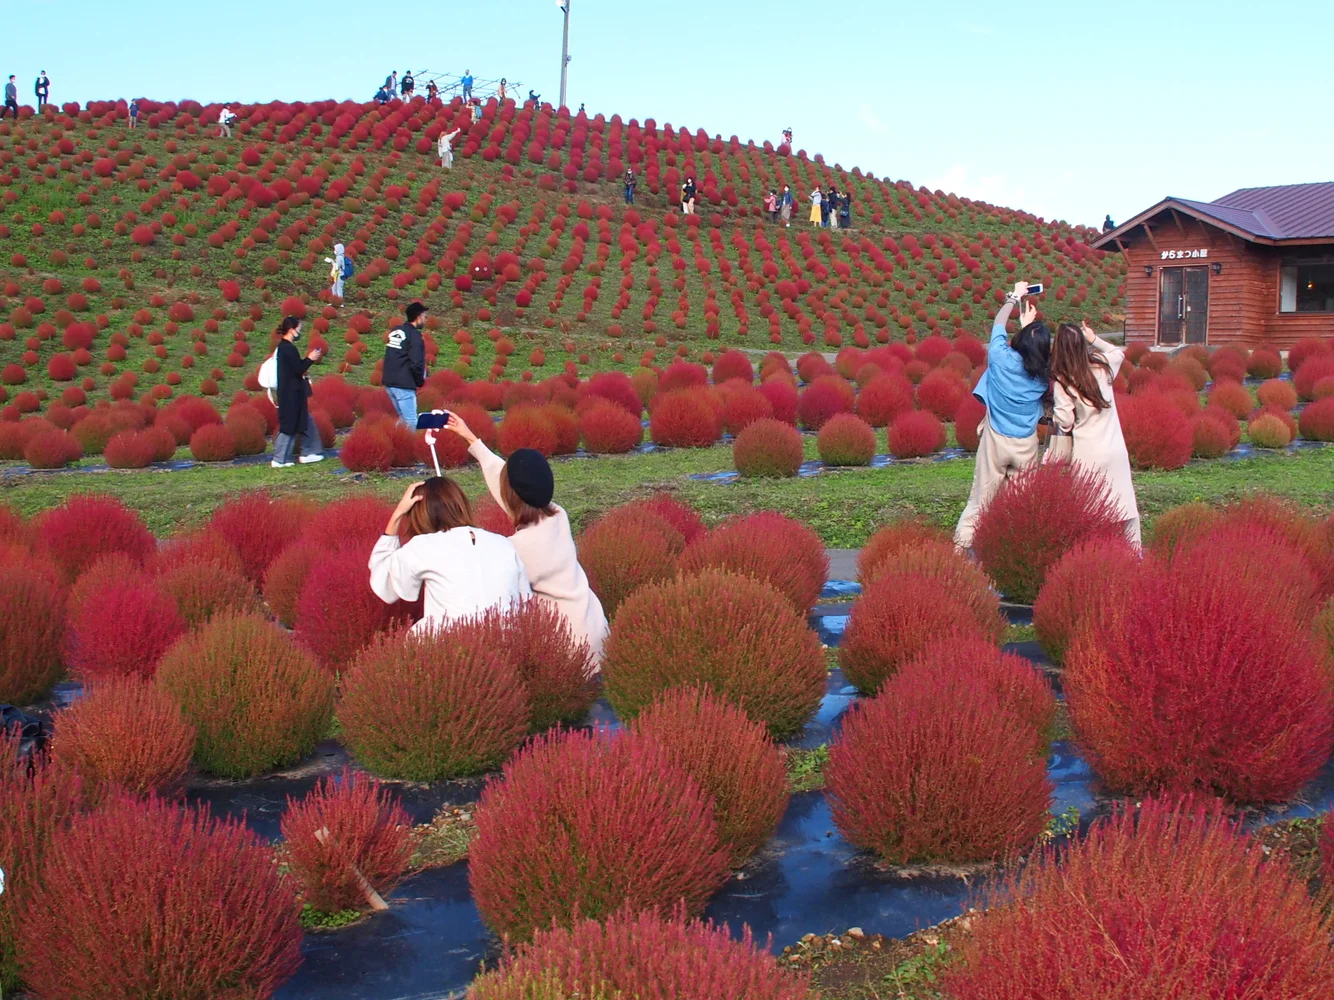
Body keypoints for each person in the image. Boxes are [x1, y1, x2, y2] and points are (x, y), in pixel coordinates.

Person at [442, 413, 609, 664]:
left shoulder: (517, 550)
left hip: (569, 652)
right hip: (596, 631)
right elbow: (513, 485)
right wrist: (469, 437)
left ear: (510, 497)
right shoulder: (557, 515)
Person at [954, 281, 1052, 551]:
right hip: (1026, 446)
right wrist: (1028, 329)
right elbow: (1030, 356)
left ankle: (959, 554)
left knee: (979, 503)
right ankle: (1013, 556)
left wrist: (1014, 297)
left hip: (995, 442)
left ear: (1018, 342)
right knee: (1020, 509)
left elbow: (998, 325)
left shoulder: (999, 356)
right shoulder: (1044, 377)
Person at [369, 478, 532, 632]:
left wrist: (398, 514)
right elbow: (526, 602)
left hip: (452, 646)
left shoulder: (423, 546)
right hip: (508, 644)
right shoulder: (503, 543)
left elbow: (385, 584)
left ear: (420, 513)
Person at [1050, 321, 1139, 547]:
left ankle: (1096, 555)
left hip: (1088, 453)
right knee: (1124, 506)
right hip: (1115, 450)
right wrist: (1094, 339)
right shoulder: (1102, 366)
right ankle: (1133, 557)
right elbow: (1118, 353)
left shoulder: (1063, 379)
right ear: (1082, 344)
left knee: (1091, 510)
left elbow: (1065, 421)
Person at [272, 317, 325, 467]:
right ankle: (279, 459)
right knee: (289, 426)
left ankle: (309, 453)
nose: (300, 332)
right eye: (299, 329)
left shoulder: (285, 347)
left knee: (305, 422)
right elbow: (298, 368)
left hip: (294, 392)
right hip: (290, 394)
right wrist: (310, 359)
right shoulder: (287, 348)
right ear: (291, 329)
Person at [383, 302, 427, 427]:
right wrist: (420, 381)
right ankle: (406, 446)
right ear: (418, 316)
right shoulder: (415, 336)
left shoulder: (396, 331)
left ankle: (395, 442)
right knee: (411, 421)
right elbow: (416, 362)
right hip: (404, 385)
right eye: (424, 316)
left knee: (403, 418)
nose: (425, 319)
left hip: (389, 383)